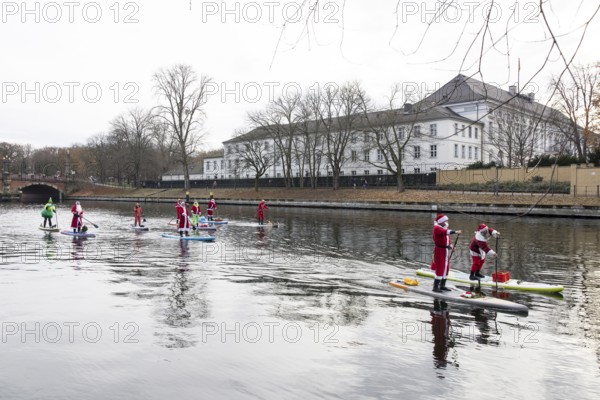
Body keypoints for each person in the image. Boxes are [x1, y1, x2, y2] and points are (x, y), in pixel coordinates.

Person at [430, 214, 461, 292]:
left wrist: (451, 246)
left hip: (445, 250)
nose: (446, 222)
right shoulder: (437, 228)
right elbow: (444, 232)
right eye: (444, 221)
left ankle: (442, 285)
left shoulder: (444, 228)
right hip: (439, 250)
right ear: (441, 222)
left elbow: (447, 239)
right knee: (440, 267)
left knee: (446, 268)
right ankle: (435, 287)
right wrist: (455, 232)